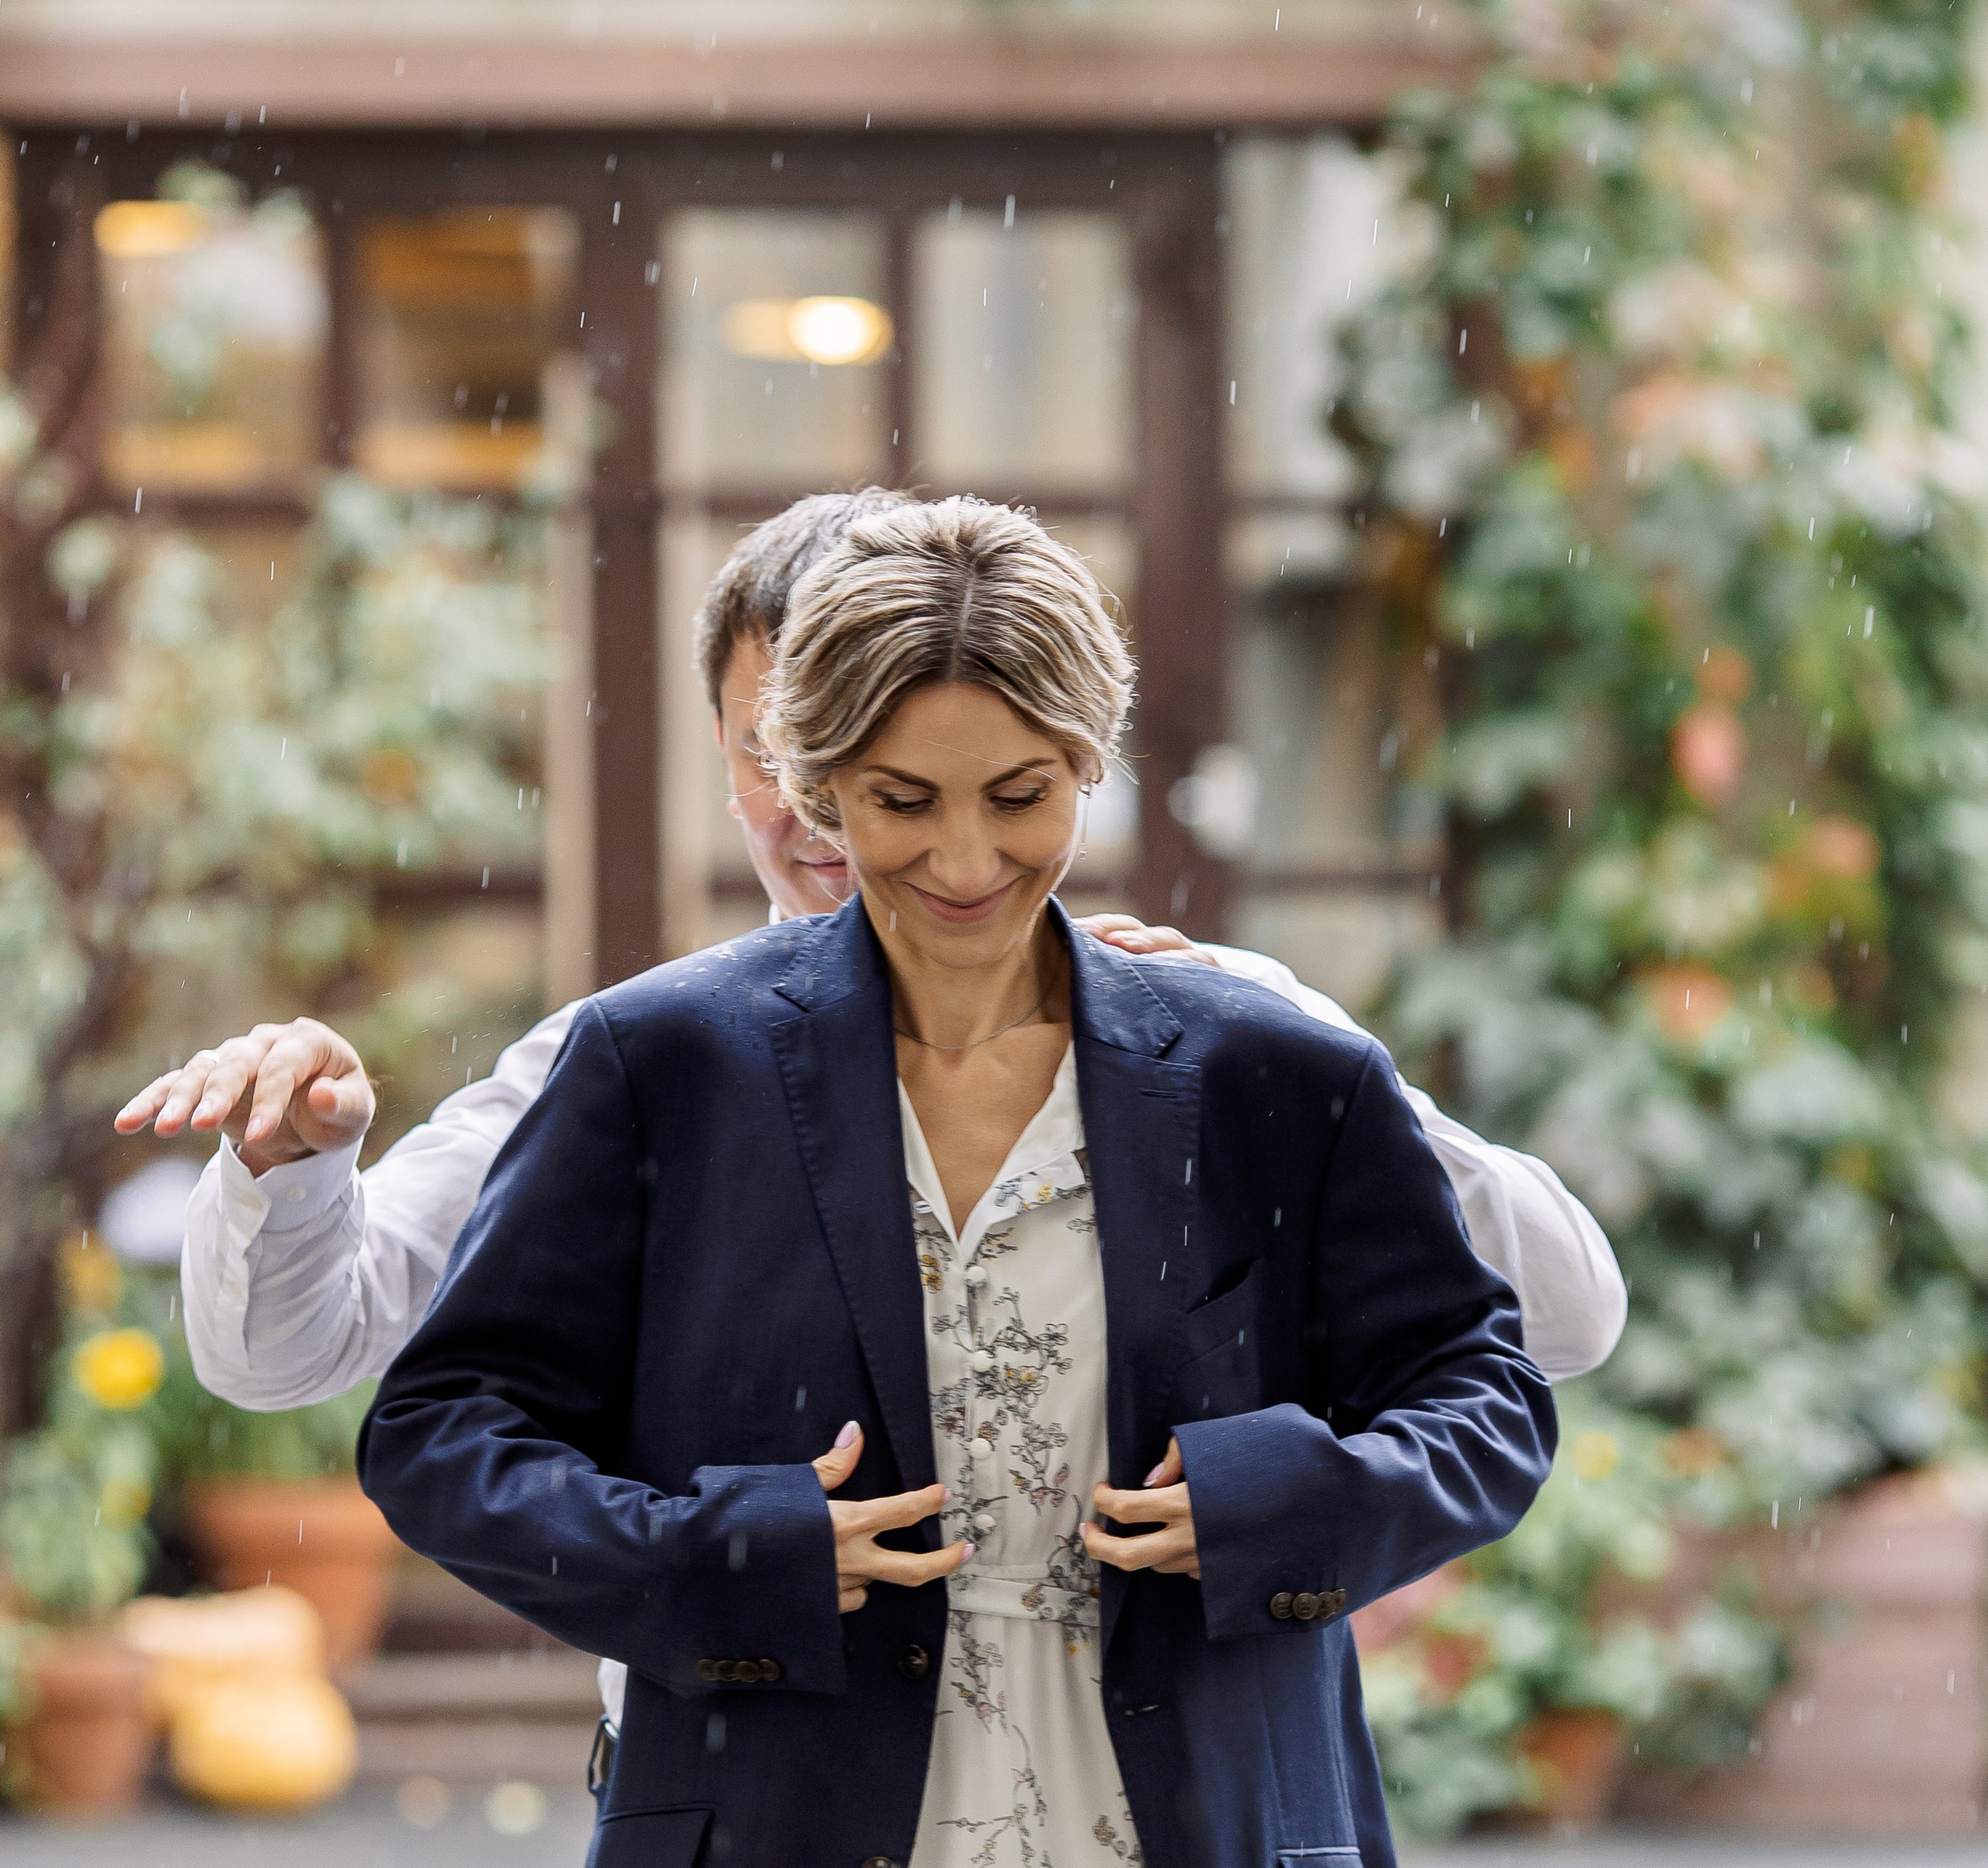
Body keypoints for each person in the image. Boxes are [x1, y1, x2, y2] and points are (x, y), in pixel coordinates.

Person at [358, 495, 1556, 1868]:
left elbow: (1487, 1396)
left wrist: (1279, 1505)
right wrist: (733, 1557)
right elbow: (445, 1432)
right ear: (811, 782)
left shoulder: (1269, 1071)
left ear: (1092, 762)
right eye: (901, 802)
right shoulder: (663, 1070)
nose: (968, 859)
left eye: (1022, 795)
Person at [117, 488, 1624, 1449]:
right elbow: (292, 1349)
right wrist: (292, 1165)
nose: (826, 809)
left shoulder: (1223, 1030)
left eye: (891, 763)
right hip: (755, 1802)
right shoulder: (642, 1064)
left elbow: (1560, 1315)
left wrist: (1303, 1068)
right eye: (780, 756)